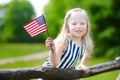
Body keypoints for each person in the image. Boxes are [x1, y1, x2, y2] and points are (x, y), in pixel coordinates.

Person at [40, 8, 93, 79]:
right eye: (74, 24)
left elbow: (88, 53)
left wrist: (82, 64)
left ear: (87, 25)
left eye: (82, 23)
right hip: (51, 75)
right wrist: (52, 51)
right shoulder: (63, 41)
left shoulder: (86, 42)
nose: (78, 27)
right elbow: (55, 63)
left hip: (67, 75)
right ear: (68, 26)